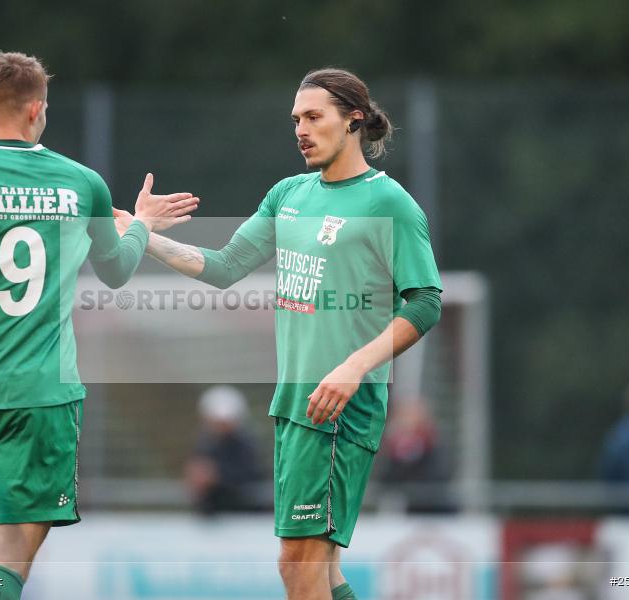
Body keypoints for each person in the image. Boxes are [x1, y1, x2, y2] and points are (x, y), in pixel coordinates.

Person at [116, 68, 442, 600]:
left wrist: (354, 368)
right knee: (315, 569)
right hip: (294, 402)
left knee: (300, 564)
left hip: (341, 405)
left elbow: (425, 302)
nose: (301, 129)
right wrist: (143, 235)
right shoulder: (289, 193)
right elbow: (224, 266)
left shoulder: (390, 204)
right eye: (296, 119)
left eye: (314, 117)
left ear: (353, 119)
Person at [0, 51, 198, 600]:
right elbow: (115, 271)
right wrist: (143, 226)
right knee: (5, 565)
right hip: (42, 394)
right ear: (39, 110)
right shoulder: (82, 183)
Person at [185, 385, 262, 514]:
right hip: (214, 515)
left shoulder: (245, 445)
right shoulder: (204, 443)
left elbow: (249, 477)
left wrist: (215, 477)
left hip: (242, 514)